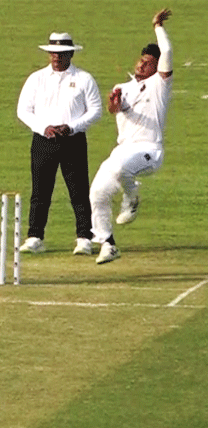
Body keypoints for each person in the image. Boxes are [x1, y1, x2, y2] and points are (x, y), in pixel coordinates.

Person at [88, 9, 175, 265]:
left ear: (157, 67)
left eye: (148, 62)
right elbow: (113, 110)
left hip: (149, 150)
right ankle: (108, 244)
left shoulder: (160, 85)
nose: (141, 64)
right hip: (123, 150)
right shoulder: (122, 87)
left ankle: (132, 197)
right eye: (141, 60)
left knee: (121, 168)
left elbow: (167, 51)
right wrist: (113, 105)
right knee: (97, 193)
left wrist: (158, 26)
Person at [16, 32, 102, 256]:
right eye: (53, 53)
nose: (56, 57)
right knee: (40, 191)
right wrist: (43, 127)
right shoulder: (37, 78)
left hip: (73, 141)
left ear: (71, 54)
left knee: (79, 191)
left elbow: (95, 110)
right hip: (43, 140)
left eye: (61, 53)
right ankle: (35, 236)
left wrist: (72, 127)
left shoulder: (84, 79)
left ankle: (84, 237)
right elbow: (23, 110)